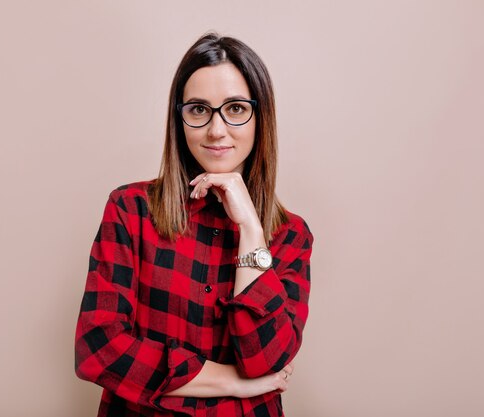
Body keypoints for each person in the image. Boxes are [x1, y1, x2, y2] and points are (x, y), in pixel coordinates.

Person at [75, 32, 314, 417]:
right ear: (179, 118)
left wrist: (251, 231)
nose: (216, 130)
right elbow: (98, 349)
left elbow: (265, 362)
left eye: (235, 109)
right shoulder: (130, 209)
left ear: (261, 116)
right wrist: (232, 381)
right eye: (199, 109)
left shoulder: (291, 236)